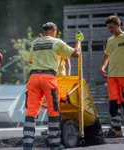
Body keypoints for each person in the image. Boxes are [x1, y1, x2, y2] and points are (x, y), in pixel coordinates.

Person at [23, 22, 84, 150]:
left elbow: (30, 60)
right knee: (53, 111)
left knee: (31, 112)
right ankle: (55, 144)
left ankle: (27, 145)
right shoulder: (57, 42)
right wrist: (78, 41)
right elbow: (76, 54)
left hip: (33, 78)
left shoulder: (35, 43)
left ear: (44, 31)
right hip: (48, 78)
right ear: (54, 31)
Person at [100, 15, 124, 137]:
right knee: (114, 103)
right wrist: (102, 67)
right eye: (109, 28)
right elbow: (107, 55)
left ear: (118, 25)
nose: (110, 30)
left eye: (112, 27)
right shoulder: (110, 40)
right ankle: (116, 129)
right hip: (111, 76)